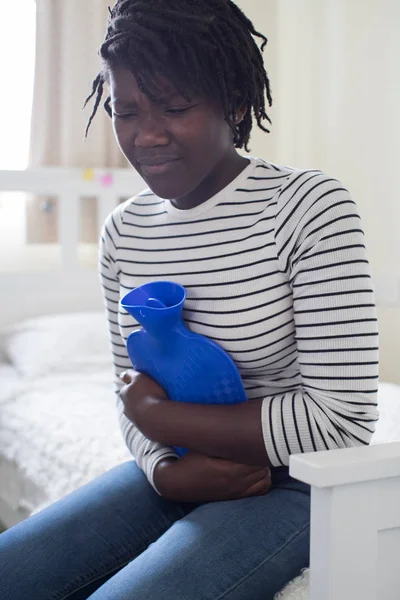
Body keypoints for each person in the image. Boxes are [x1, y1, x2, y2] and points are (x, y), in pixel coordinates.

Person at [0, 1, 379, 598]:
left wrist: (161, 417)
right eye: (126, 111)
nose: (146, 135)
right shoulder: (123, 233)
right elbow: (129, 384)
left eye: (175, 108)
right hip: (176, 469)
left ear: (234, 101)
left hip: (298, 480)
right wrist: (164, 468)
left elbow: (343, 418)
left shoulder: (308, 207)